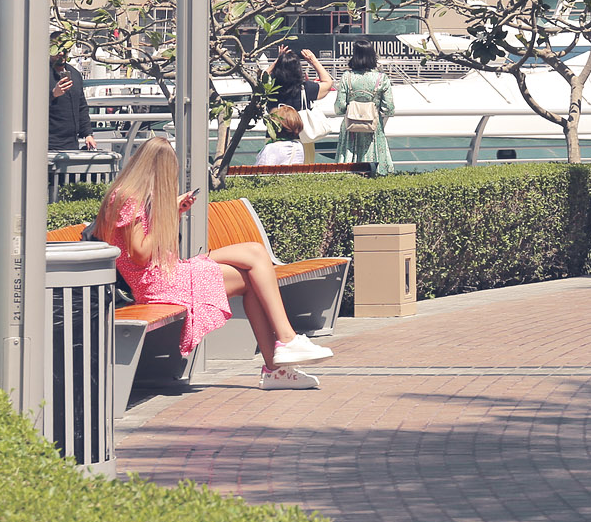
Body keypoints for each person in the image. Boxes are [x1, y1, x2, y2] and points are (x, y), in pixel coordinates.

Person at [95, 138, 333, 389]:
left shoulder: (128, 195)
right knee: (253, 266)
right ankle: (283, 349)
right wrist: (168, 212)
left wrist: (172, 212)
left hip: (165, 274)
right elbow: (140, 255)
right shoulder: (128, 199)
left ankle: (280, 359)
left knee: (254, 257)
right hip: (156, 284)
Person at [333, 40, 397, 175]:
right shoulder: (381, 78)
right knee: (375, 170)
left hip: (351, 126)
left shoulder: (347, 77)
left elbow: (339, 107)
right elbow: (389, 108)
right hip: (373, 127)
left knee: (347, 169)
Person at [269, 46, 334, 164]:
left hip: (274, 139)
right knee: (303, 174)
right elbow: (328, 82)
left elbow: (259, 80)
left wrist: (278, 60)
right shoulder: (306, 89)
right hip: (302, 140)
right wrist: (313, 60)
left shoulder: (270, 89)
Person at [49, 39, 97, 152]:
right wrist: (53, 94)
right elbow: (32, 106)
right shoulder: (40, 73)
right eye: (57, 49)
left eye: (64, 49)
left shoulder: (75, 74)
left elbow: (81, 106)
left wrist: (88, 134)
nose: (61, 53)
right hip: (48, 142)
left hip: (71, 143)